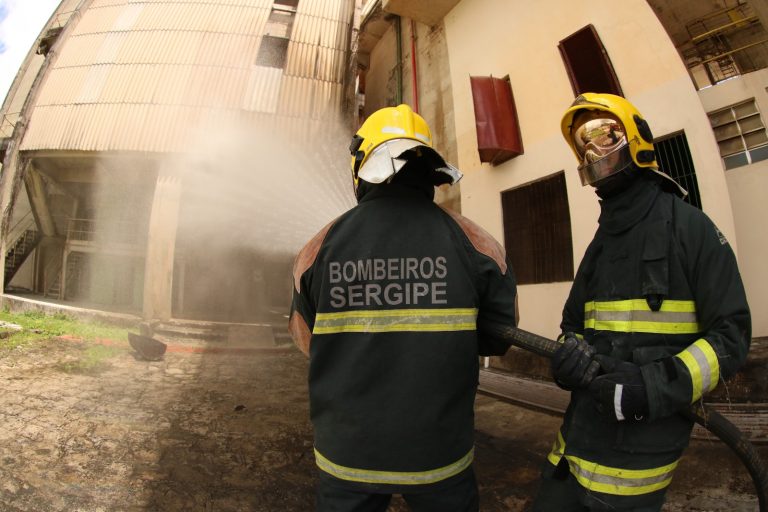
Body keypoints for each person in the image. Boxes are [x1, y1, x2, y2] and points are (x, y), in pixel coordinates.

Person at [288, 104, 518, 512]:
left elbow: (306, 341)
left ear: (360, 167)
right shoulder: (477, 244)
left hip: (348, 456)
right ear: (427, 166)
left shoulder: (317, 249)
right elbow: (499, 337)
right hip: (439, 456)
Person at [531, 93, 752, 511]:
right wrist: (567, 358)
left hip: (634, 473)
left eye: (603, 135)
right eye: (583, 143)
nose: (592, 151)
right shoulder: (600, 244)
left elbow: (731, 337)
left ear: (638, 140)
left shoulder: (691, 229)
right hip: (569, 458)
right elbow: (572, 326)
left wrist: (652, 388)